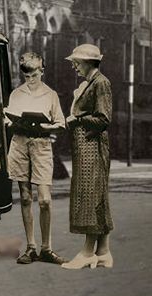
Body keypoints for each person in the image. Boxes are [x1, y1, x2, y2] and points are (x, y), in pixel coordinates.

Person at [6, 52, 67, 265]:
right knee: (24, 197)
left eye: (34, 75)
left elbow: (60, 123)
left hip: (41, 145)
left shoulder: (51, 95)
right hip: (20, 143)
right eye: (26, 76)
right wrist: (12, 123)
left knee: (44, 200)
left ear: (42, 71)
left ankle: (47, 248)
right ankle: (31, 247)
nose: (30, 80)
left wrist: (45, 126)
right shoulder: (16, 94)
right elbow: (8, 120)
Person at [61, 44, 114, 270]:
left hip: (92, 146)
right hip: (85, 146)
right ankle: (103, 252)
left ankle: (87, 253)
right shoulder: (91, 83)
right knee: (97, 196)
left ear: (89, 63)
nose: (74, 67)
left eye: (77, 63)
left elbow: (103, 118)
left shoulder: (101, 83)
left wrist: (77, 119)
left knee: (90, 196)